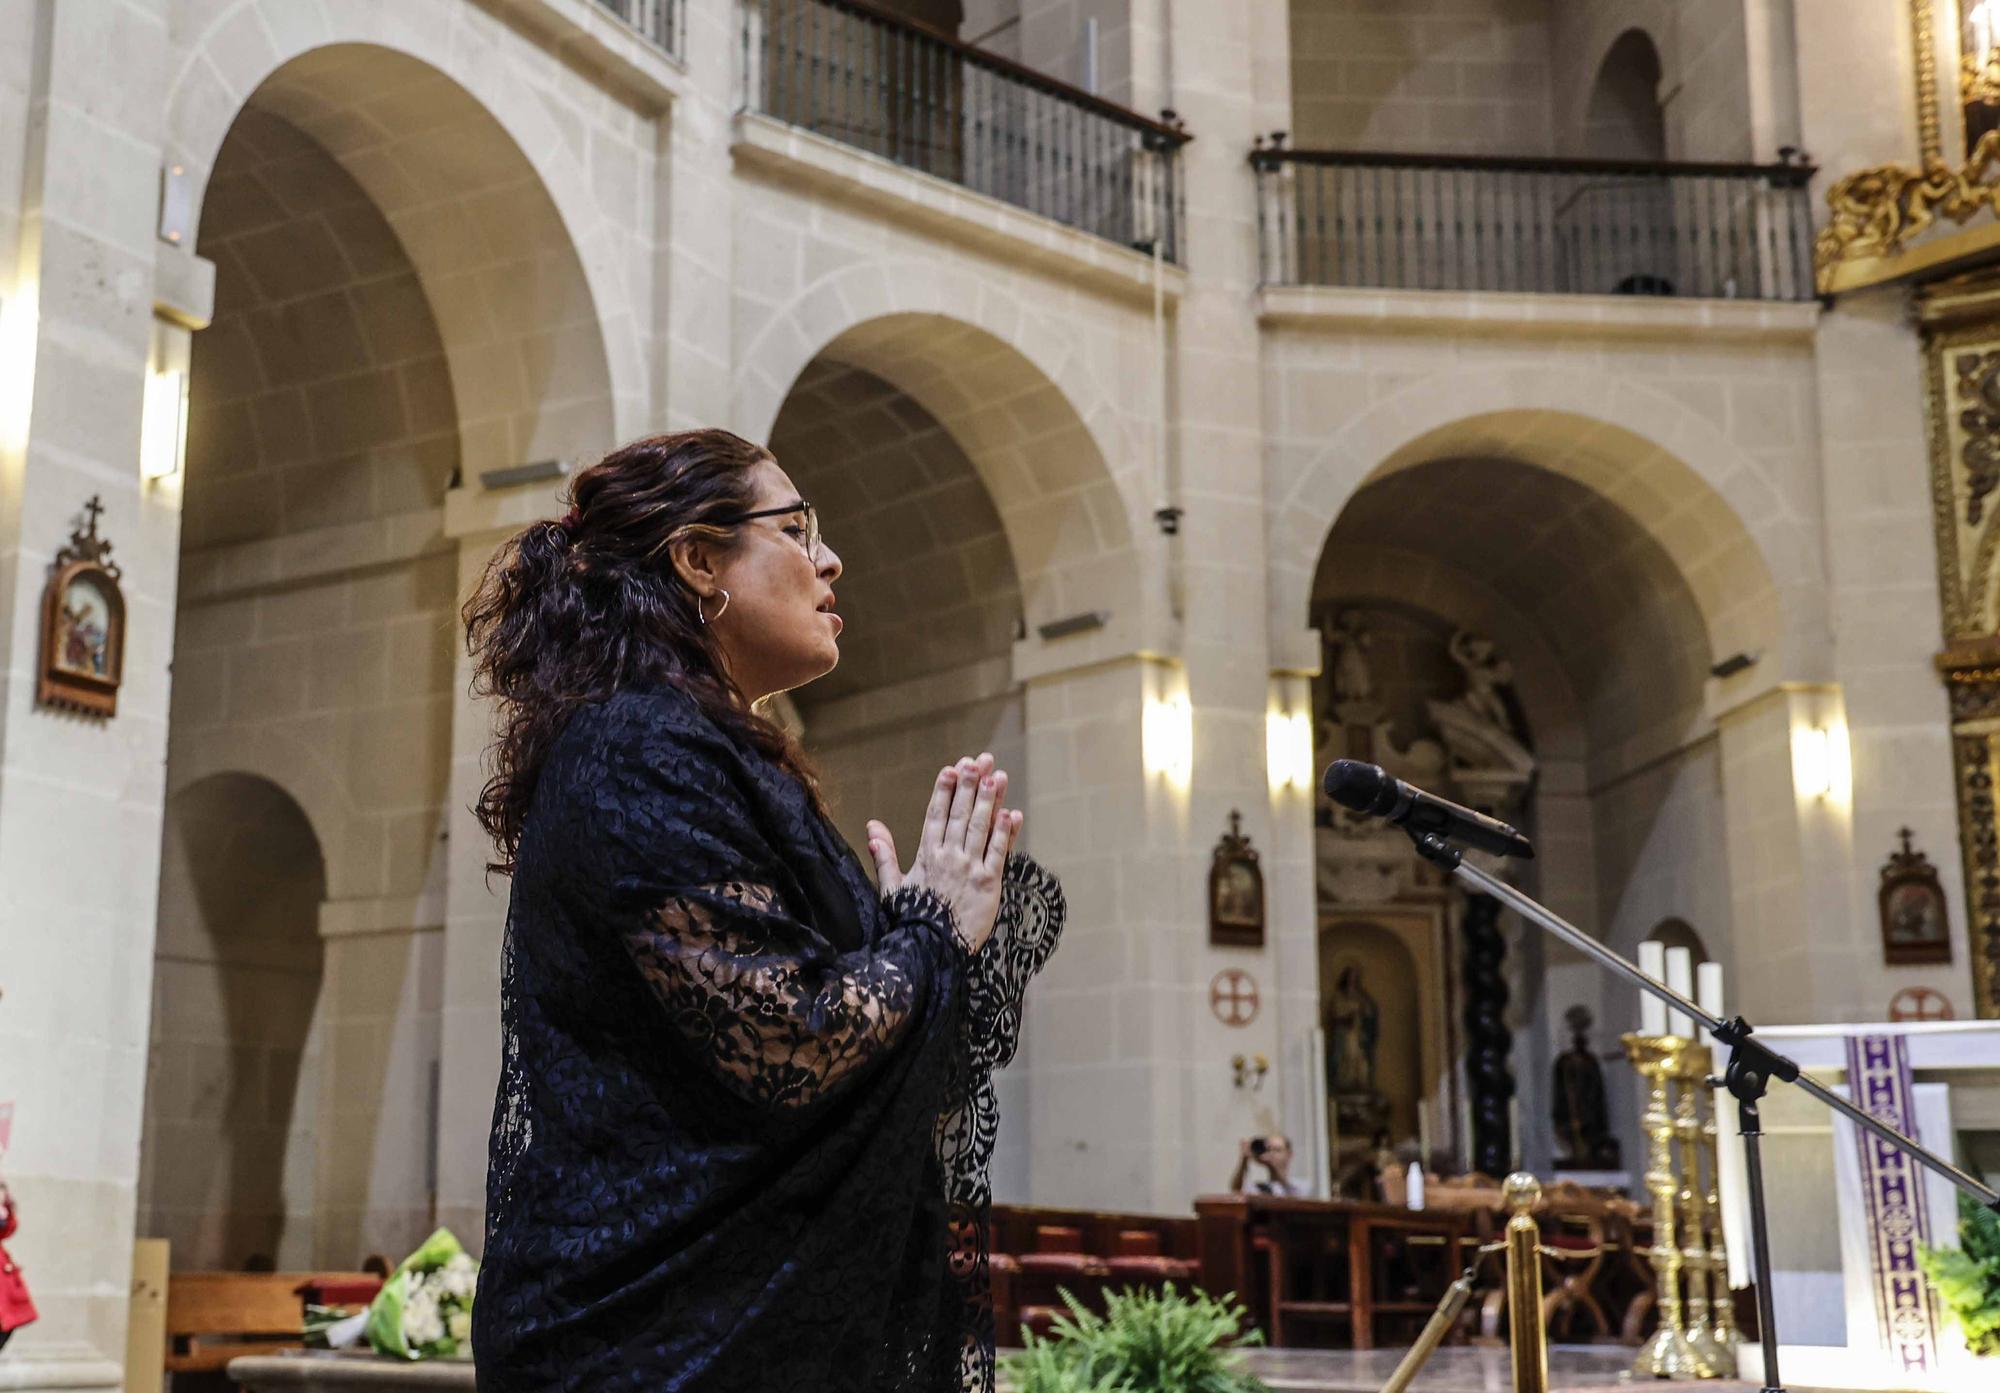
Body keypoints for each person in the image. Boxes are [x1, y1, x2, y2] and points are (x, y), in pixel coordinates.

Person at [464, 429, 1066, 1392]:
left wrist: (907, 935)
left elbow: (867, 1077)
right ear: (699, 561)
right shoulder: (641, 746)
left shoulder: (703, 748)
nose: (830, 559)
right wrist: (931, 929)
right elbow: (791, 1039)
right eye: (796, 528)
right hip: (648, 1341)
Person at [1231, 1134, 1309, 1197]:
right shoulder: (1258, 1188)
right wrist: (1244, 1161)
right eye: (1268, 1149)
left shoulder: (1301, 1185)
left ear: (1289, 1154)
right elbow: (1236, 1191)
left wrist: (1274, 1166)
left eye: (1277, 1150)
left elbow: (1290, 1193)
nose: (1272, 1154)